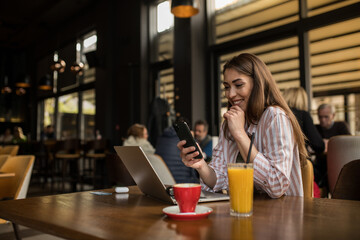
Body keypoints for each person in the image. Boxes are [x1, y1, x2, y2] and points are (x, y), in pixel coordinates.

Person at [177, 53, 308, 198]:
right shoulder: (229, 123)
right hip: (242, 211)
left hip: (281, 214)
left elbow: (276, 186)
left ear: (258, 84)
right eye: (227, 87)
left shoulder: (275, 116)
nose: (230, 94)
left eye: (238, 85)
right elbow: (219, 178)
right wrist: (201, 165)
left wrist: (240, 134)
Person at [282, 87, 325, 198]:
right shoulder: (303, 115)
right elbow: (319, 145)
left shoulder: (278, 114)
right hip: (300, 168)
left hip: (281, 167)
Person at [314, 103, 351, 197]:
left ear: (333, 115)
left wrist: (330, 143)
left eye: (326, 117)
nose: (322, 120)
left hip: (338, 163)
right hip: (321, 163)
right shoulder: (316, 128)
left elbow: (349, 144)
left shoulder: (341, 126)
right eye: (320, 117)